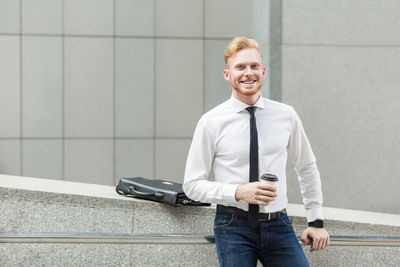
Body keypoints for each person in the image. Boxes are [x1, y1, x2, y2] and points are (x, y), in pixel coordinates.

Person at [183, 37, 329, 267]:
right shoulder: (210, 122)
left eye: (253, 66)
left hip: (279, 224)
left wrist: (316, 221)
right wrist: (238, 192)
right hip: (233, 226)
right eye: (240, 67)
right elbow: (191, 185)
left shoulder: (286, 115)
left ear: (263, 71)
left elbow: (306, 166)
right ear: (227, 74)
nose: (248, 73)